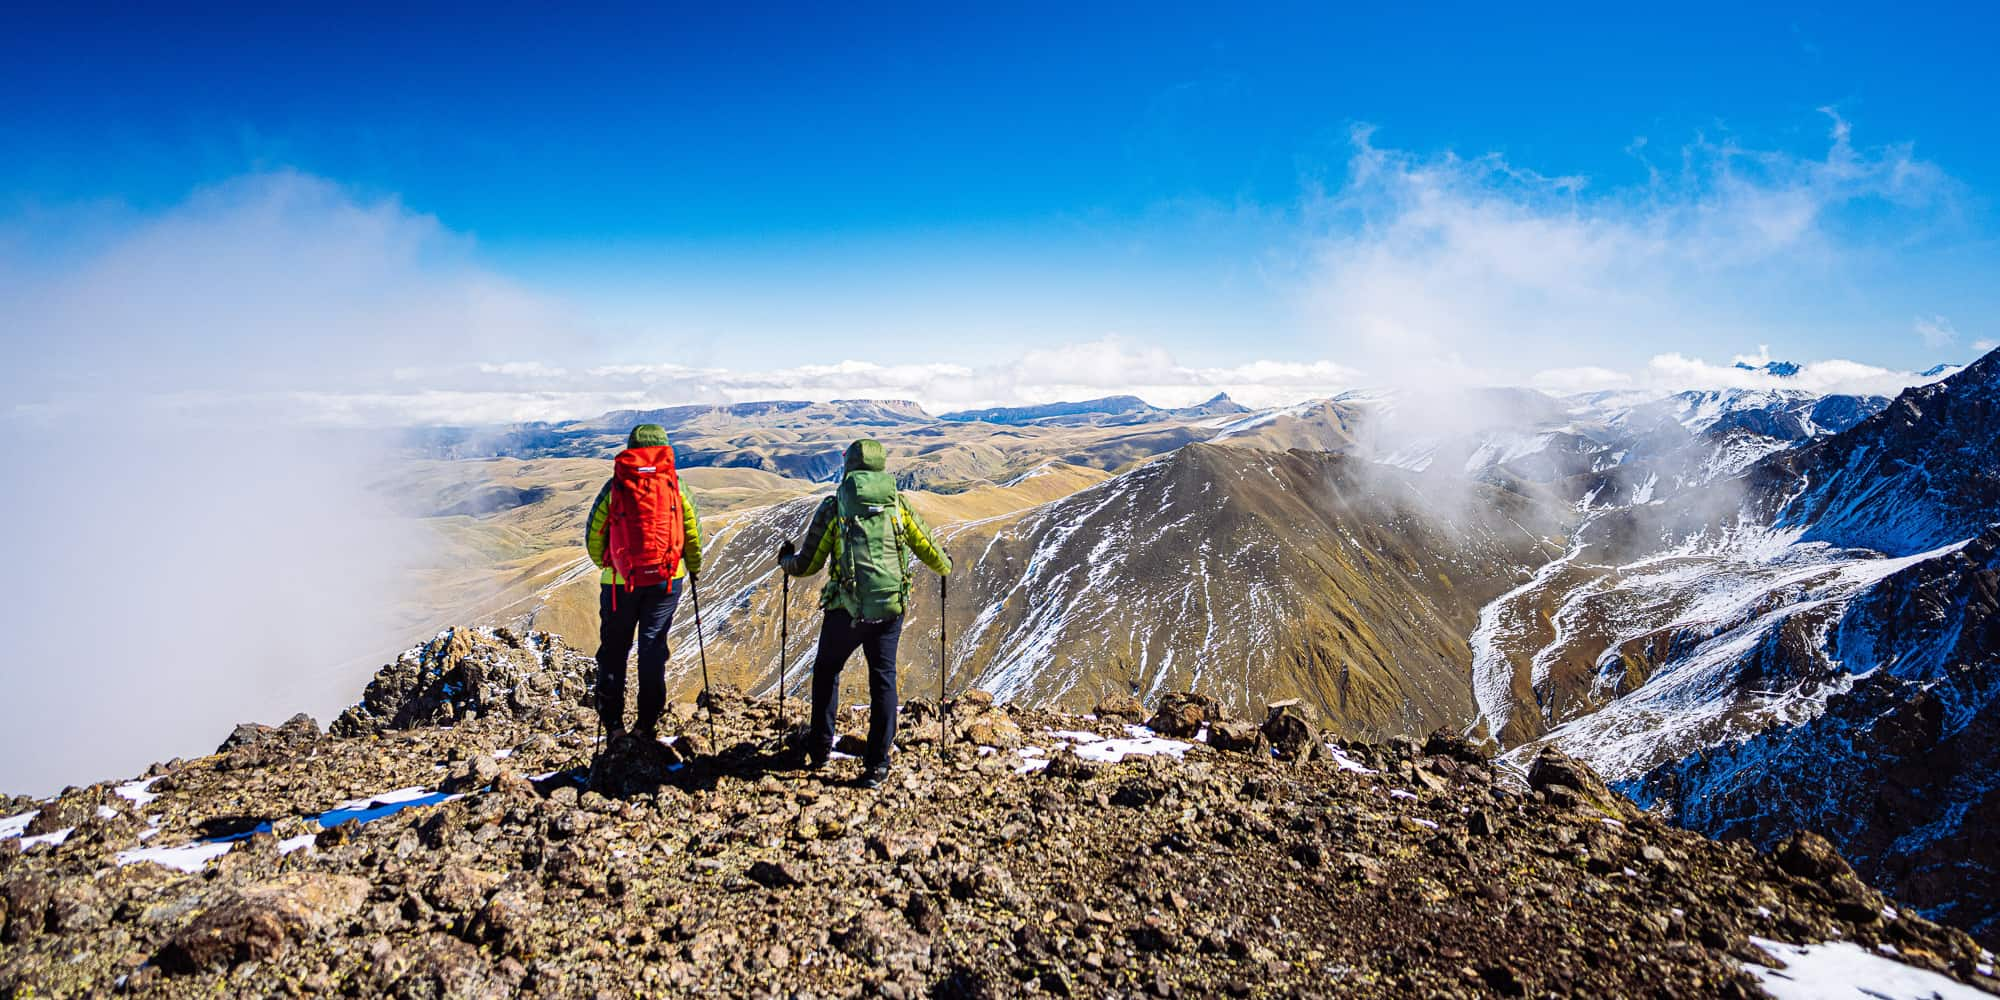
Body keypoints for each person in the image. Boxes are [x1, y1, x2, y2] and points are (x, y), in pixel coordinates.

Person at [777, 438, 951, 788]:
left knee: (827, 670)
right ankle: (877, 766)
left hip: (847, 609)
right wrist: (945, 564)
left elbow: (809, 563)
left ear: (849, 467)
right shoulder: (897, 506)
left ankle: (820, 746)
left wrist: (785, 561)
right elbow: (927, 547)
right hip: (889, 609)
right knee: (883, 679)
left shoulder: (835, 506)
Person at [586, 424, 703, 742]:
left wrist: (613, 567)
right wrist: (692, 566)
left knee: (614, 651)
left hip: (619, 585)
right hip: (666, 581)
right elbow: (691, 531)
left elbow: (594, 535)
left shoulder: (615, 486)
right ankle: (646, 726)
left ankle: (613, 727)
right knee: (652, 650)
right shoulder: (675, 485)